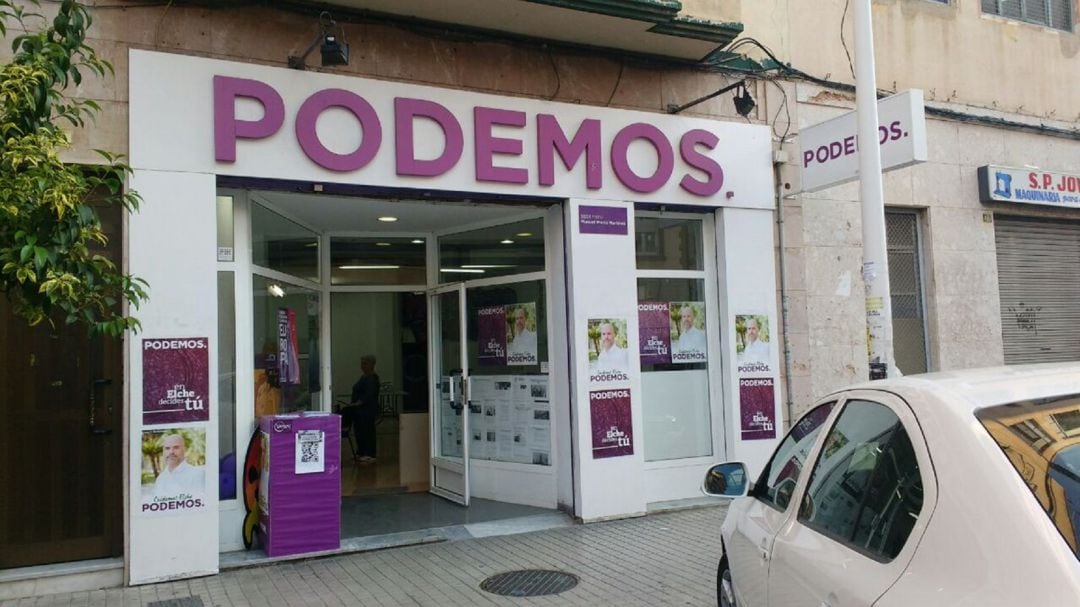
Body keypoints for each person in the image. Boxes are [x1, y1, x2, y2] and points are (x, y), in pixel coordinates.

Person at [348, 355, 380, 463]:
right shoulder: (363, 377)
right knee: (359, 431)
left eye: (365, 363)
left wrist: (359, 402)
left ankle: (370, 454)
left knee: (367, 431)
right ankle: (361, 451)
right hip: (358, 411)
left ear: (372, 364)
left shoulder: (373, 378)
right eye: (362, 363)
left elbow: (369, 394)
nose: (363, 366)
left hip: (367, 410)